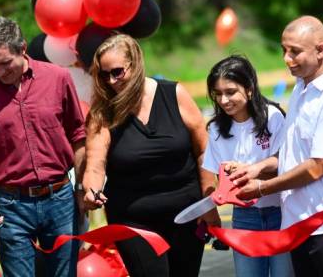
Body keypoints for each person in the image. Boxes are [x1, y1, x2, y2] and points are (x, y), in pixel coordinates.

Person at [232, 16, 323, 277]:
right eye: (284, 50)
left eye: (295, 51)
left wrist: (261, 188)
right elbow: (292, 155)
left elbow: (317, 166)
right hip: (300, 222)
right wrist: (254, 169)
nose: (287, 58)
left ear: (320, 49)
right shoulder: (301, 88)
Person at [81, 33, 220, 277]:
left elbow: (203, 151)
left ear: (134, 65)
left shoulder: (174, 94)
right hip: (133, 220)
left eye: (117, 72)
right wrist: (91, 189)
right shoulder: (103, 112)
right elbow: (95, 164)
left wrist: (209, 204)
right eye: (103, 75)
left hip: (186, 214)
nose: (111, 81)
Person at [0, 16, 86, 277]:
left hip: (61, 200)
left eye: (5, 63)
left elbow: (78, 136)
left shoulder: (58, 78)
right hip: (11, 207)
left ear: (23, 48)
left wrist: (82, 188)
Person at [203, 55, 293, 277]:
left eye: (230, 92)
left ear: (250, 89)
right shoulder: (215, 129)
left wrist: (253, 169)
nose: (224, 100)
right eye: (218, 94)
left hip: (281, 211)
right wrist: (226, 179)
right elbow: (215, 175)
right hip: (244, 217)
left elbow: (284, 160)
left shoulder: (272, 117)